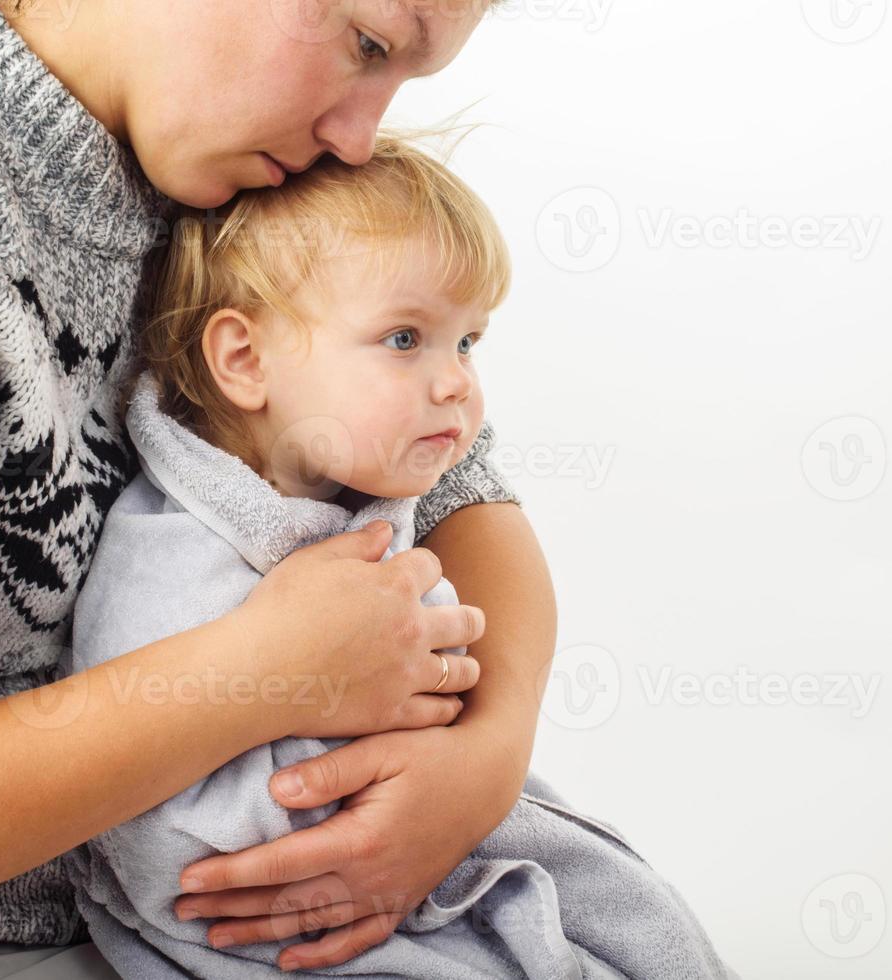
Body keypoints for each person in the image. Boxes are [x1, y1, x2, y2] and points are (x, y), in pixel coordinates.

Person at [0, 0, 559, 976]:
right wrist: (268, 669)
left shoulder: (222, 154)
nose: (356, 136)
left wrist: (484, 756)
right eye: (368, 44)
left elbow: (462, 487)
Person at [62, 136, 737, 979]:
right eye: (405, 338)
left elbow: (480, 522)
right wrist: (343, 817)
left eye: (468, 343)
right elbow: (158, 839)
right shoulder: (170, 559)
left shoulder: (357, 488)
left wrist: (463, 780)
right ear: (244, 359)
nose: (456, 382)